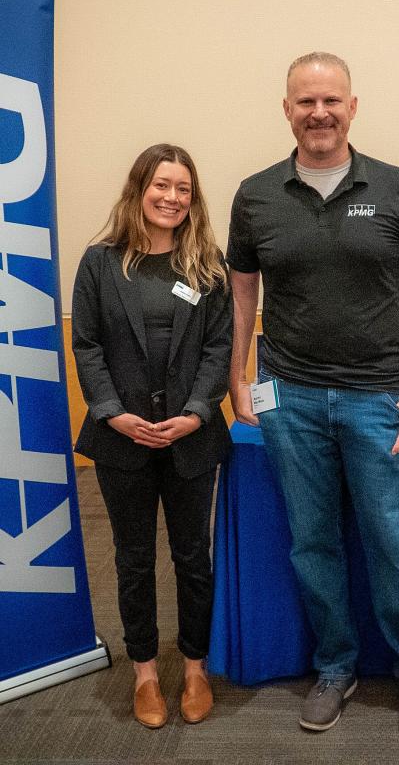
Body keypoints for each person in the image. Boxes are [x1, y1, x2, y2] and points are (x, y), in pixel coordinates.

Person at [227, 52, 399, 741]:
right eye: (305, 102)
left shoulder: (395, 186)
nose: (318, 112)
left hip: (380, 400)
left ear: (353, 106)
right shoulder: (256, 194)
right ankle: (335, 666)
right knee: (312, 545)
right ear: (286, 109)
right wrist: (240, 379)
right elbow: (242, 296)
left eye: (330, 100)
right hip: (290, 400)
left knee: (397, 546)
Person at [72, 144, 232, 729]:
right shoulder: (99, 263)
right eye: (161, 185)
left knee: (193, 558)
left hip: (191, 437)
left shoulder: (206, 265)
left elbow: (219, 347)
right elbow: (86, 344)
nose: (172, 197)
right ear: (139, 189)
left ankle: (194, 667)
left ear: (194, 197)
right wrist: (111, 411)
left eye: (183, 188)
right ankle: (144, 673)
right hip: (122, 439)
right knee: (134, 559)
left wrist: (196, 411)